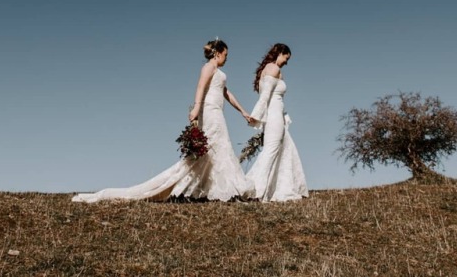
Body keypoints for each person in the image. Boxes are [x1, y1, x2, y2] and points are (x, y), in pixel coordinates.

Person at [72, 39, 254, 202]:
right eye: (225, 54)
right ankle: (216, 188)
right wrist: (197, 108)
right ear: (217, 53)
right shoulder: (208, 68)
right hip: (209, 111)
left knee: (219, 147)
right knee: (215, 146)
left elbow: (226, 93)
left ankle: (218, 187)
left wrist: (243, 112)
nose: (227, 58)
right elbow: (200, 87)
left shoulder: (218, 72)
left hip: (217, 111)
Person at [246, 43, 308, 202]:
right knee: (271, 151)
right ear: (280, 53)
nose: (287, 62)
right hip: (273, 117)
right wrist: (256, 116)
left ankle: (273, 189)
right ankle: (257, 191)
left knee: (282, 150)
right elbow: (265, 96)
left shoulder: (268, 69)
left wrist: (284, 115)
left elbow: (275, 98)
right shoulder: (273, 69)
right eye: (286, 58)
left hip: (277, 115)